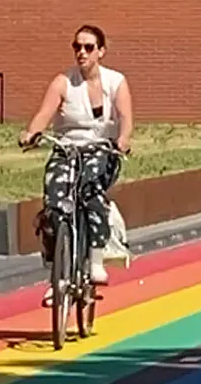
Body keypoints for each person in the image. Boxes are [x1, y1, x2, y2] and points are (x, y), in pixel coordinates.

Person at [20, 24, 136, 297]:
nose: (81, 52)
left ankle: (95, 260)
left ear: (101, 51)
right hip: (68, 148)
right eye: (77, 47)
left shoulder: (115, 82)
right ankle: (58, 275)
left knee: (90, 187)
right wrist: (31, 133)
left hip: (102, 149)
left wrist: (123, 139)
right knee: (54, 200)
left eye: (88, 47)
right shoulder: (63, 82)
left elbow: (126, 117)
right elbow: (44, 114)